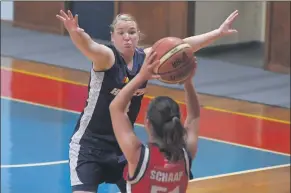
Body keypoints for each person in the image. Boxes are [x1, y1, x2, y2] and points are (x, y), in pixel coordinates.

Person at [56, 9, 238, 193]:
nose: (127, 37)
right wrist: (75, 33)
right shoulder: (107, 58)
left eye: (132, 32)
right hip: (89, 145)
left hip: (123, 147)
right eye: (121, 33)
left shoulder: (146, 60)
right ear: (112, 37)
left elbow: (182, 47)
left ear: (138, 36)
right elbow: (89, 46)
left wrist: (217, 33)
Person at [109, 50, 200, 193]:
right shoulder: (185, 154)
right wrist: (188, 80)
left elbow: (115, 108)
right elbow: (194, 116)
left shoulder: (138, 155)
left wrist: (141, 77)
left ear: (147, 123)